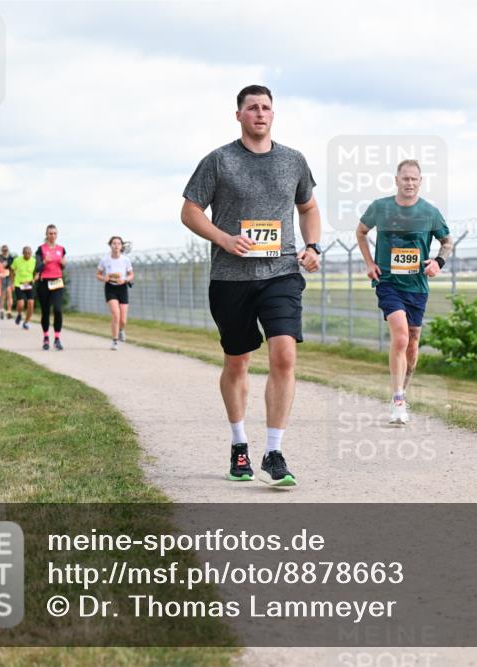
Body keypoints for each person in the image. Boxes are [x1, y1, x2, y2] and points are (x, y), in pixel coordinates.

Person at [181, 84, 321, 487]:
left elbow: (308, 207)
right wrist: (224, 239)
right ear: (239, 115)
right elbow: (190, 211)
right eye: (252, 108)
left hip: (281, 272)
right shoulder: (219, 161)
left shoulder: (293, 160)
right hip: (230, 278)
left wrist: (312, 246)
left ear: (273, 115)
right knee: (237, 361)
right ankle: (239, 444)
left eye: (266, 108)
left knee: (284, 355)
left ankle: (274, 452)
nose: (260, 113)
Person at [355, 159, 452, 425]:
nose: (409, 183)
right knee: (399, 337)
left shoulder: (430, 212)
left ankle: (403, 391)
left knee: (412, 343)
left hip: (417, 287)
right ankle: (397, 399)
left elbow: (447, 241)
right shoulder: (381, 207)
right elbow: (361, 232)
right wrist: (369, 263)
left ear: (421, 182)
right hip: (388, 283)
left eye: (414, 179)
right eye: (405, 178)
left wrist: (437, 262)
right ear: (396, 180)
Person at [96, 236, 134, 350]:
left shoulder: (125, 260)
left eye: (118, 243)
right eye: (114, 243)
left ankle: (121, 330)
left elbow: (131, 274)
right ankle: (115, 340)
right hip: (110, 288)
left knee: (123, 320)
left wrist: (125, 280)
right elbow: (97, 274)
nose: (116, 245)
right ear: (110, 245)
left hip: (122, 287)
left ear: (121, 246)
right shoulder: (105, 260)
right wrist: (104, 278)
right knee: (115, 314)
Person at [35, 225, 66, 350]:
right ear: (46, 234)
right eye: (50, 233)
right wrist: (44, 262)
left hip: (57, 282)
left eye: (54, 233)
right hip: (44, 283)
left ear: (57, 235)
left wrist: (64, 264)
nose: (52, 236)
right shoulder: (40, 249)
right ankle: (46, 337)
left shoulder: (61, 249)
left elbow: (62, 266)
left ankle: (57, 338)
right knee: (45, 311)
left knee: (58, 309)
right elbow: (37, 268)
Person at [11, 245, 36, 329]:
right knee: (21, 304)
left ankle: (26, 322)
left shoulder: (34, 261)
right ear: (23, 253)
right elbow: (12, 270)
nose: (28, 255)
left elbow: (37, 272)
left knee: (31, 304)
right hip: (19, 284)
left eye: (29, 253)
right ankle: (19, 314)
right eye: (26, 253)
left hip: (29, 284)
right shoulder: (17, 260)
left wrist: (34, 279)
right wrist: (12, 283)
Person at [0, 244, 15, 319]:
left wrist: (13, 282)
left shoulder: (11, 258)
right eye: (3, 250)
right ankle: (1, 310)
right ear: (1, 251)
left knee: (9, 294)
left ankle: (9, 311)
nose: (5, 251)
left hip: (8, 277)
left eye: (6, 250)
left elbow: (12, 270)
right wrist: (1, 265)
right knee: (3, 295)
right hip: (1, 277)